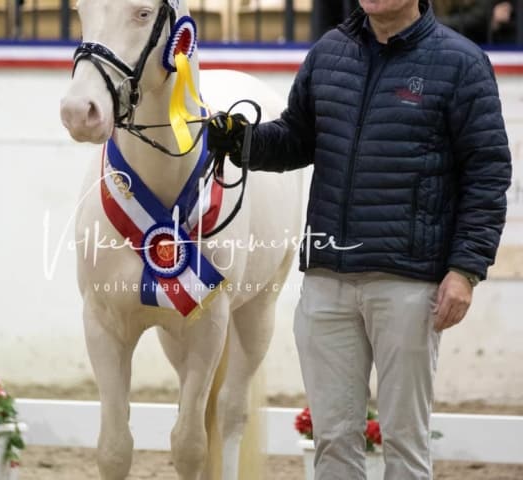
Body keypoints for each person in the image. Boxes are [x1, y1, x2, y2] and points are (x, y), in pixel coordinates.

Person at [208, 0, 512, 478]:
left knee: (405, 442)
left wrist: (466, 269)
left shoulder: (461, 62)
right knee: (332, 441)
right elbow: (295, 139)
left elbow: (488, 173)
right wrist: (241, 143)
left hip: (409, 284)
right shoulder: (329, 52)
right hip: (328, 279)